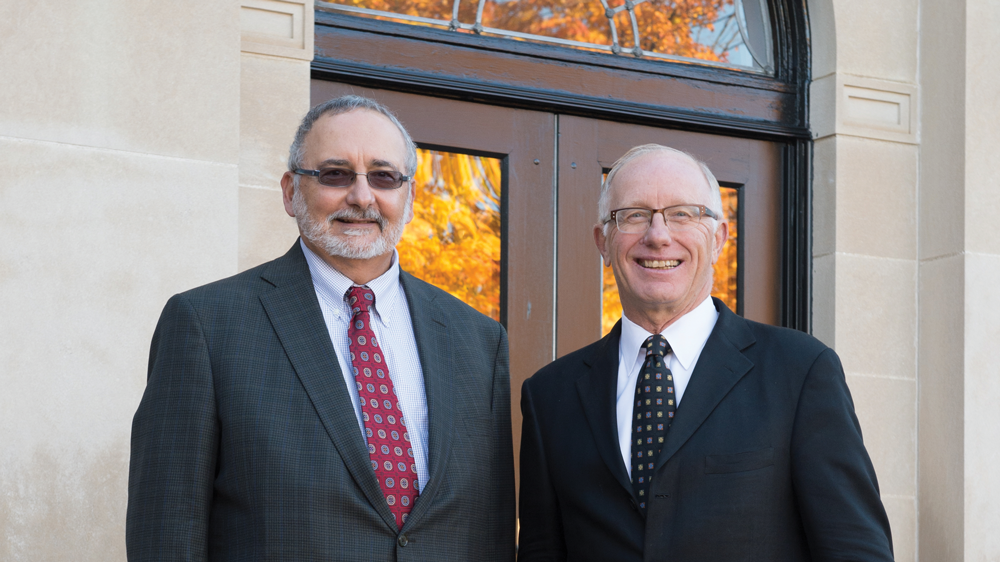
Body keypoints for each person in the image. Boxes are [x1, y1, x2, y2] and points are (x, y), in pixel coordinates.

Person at [127, 95, 515, 561]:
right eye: (335, 174)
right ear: (291, 191)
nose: (362, 196)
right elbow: (167, 532)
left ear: (409, 198)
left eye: (383, 176)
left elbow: (490, 532)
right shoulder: (206, 326)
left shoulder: (477, 340)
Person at [517, 144, 893, 561]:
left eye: (683, 213)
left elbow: (855, 549)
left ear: (718, 239)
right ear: (603, 243)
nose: (658, 236)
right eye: (634, 215)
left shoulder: (800, 371)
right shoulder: (550, 396)